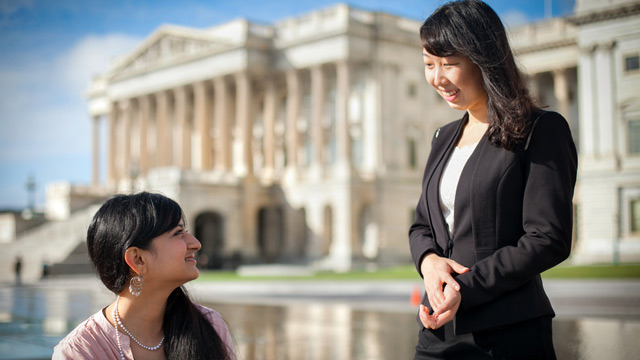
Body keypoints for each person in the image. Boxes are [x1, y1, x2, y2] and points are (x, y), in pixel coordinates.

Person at [409, 1, 577, 359]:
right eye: (429, 65)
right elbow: (422, 224)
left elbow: (548, 238)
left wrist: (464, 289)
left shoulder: (540, 130)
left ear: (483, 58)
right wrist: (428, 261)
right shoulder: (443, 137)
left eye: (449, 64)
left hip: (508, 332)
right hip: (437, 330)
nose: (437, 78)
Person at [53, 192, 236, 360]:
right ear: (138, 259)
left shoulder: (210, 325)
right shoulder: (81, 352)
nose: (196, 244)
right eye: (178, 233)